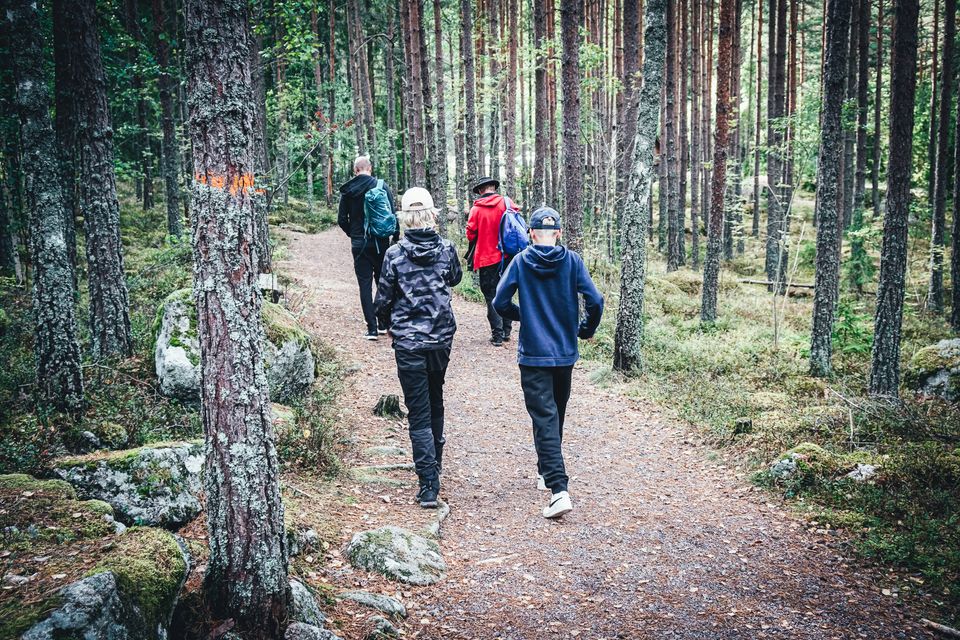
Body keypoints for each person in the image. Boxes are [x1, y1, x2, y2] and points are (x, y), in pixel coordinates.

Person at [492, 207, 604, 519]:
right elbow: (595, 301)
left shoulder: (521, 261)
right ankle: (546, 470)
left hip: (534, 354)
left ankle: (559, 490)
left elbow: (500, 302)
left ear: (530, 234)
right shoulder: (572, 261)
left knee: (545, 417)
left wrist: (523, 316)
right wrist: (585, 329)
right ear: (557, 234)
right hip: (565, 353)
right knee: (555, 413)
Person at [375, 188, 463, 508]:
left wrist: (385, 323)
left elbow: (383, 298)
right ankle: (433, 468)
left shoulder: (394, 254)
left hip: (409, 342)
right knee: (435, 400)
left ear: (404, 217)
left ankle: (429, 484)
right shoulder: (447, 249)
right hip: (440, 338)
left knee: (420, 411)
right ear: (431, 215)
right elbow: (454, 278)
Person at [338, 155, 399, 340]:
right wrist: (394, 238)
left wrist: (354, 235)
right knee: (383, 283)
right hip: (380, 242)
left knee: (364, 285)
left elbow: (341, 220)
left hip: (359, 244)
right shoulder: (381, 186)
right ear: (370, 168)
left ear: (355, 170)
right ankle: (382, 323)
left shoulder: (348, 190)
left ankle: (371, 329)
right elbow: (392, 214)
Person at [466, 176, 517, 347]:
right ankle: (507, 332)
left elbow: (470, 233)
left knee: (491, 296)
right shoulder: (507, 202)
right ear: (494, 188)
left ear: (481, 190)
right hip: (509, 256)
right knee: (507, 292)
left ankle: (497, 336)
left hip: (486, 258)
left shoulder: (476, 209)